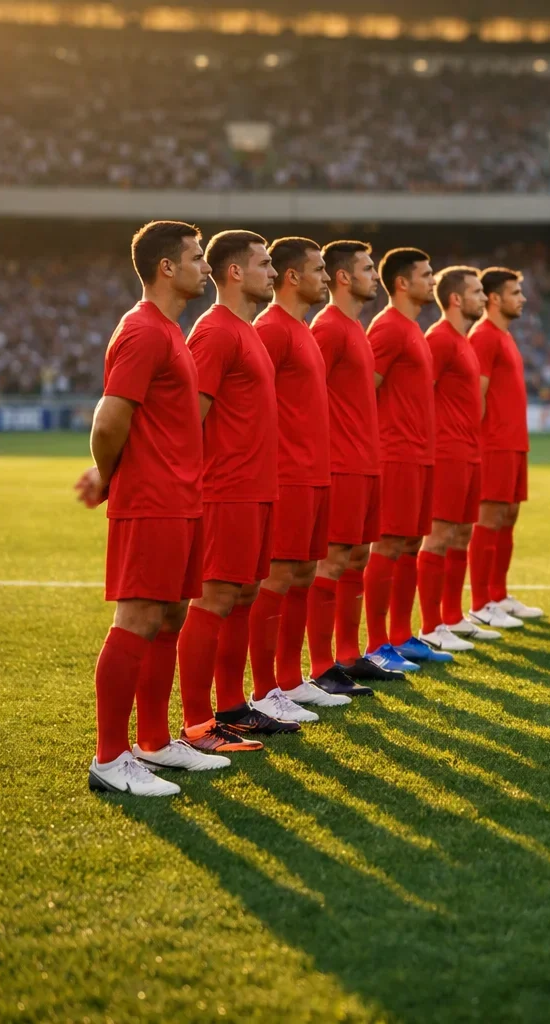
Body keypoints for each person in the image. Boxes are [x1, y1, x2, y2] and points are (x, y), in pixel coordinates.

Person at [77, 221, 226, 794]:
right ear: (167, 267)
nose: (205, 266)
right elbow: (109, 419)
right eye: (196, 257)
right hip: (153, 499)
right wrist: (113, 477)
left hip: (182, 497)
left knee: (171, 618)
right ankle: (110, 758)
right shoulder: (142, 330)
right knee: (137, 620)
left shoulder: (169, 331)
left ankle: (156, 744)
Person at [186, 230, 320, 735]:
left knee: (243, 597)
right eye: (264, 264)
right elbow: (189, 418)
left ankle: (232, 706)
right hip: (227, 488)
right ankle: (199, 721)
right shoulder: (216, 331)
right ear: (237, 272)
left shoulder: (245, 330)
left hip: (258, 487)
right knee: (215, 600)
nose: (272, 271)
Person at [256, 237, 371, 703]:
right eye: (318, 270)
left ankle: (294, 679)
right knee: (280, 578)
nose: (325, 278)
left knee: (303, 574)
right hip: (290, 471)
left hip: (319, 467)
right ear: (292, 276)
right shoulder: (276, 329)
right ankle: (270, 688)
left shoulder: (304, 328)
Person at [310, 241, 408, 680]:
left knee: (356, 560)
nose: (375, 276)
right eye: (368, 268)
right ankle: (321, 665)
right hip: (341, 463)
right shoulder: (328, 327)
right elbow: (309, 397)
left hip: (367, 462)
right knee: (331, 563)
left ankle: (349, 655)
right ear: (344, 277)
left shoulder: (355, 328)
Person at [364, 247, 452, 667]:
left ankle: (402, 635)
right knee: (389, 543)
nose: (433, 279)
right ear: (403, 282)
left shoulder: (413, 328)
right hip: (395, 452)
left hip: (420, 452)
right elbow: (366, 390)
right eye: (427, 273)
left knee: (411, 544)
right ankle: (378, 644)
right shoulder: (388, 328)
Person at [417, 266, 499, 651]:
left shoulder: (464, 340)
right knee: (439, 537)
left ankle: (452, 616)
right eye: (477, 292)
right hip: (447, 452)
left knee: (462, 534)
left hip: (470, 450)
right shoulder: (440, 339)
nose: (484, 299)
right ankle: (431, 624)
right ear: (455, 298)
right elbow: (420, 394)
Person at [467, 267, 542, 628]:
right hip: (493, 444)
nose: (522, 298)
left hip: (513, 443)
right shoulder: (483, 336)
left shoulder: (504, 336)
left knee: (508, 518)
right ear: (494, 298)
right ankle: (481, 602)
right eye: (515, 292)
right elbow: (475, 395)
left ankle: (498, 594)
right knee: (490, 519)